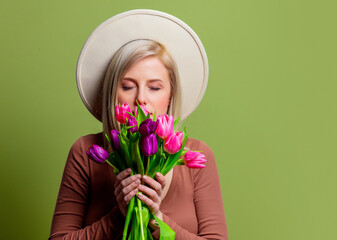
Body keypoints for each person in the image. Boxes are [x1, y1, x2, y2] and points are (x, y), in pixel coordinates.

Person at [49, 10, 228, 240]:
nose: (141, 98)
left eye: (154, 87)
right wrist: (119, 215)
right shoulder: (85, 152)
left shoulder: (198, 154)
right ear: (112, 95)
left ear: (171, 95)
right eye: (127, 86)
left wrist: (157, 221)